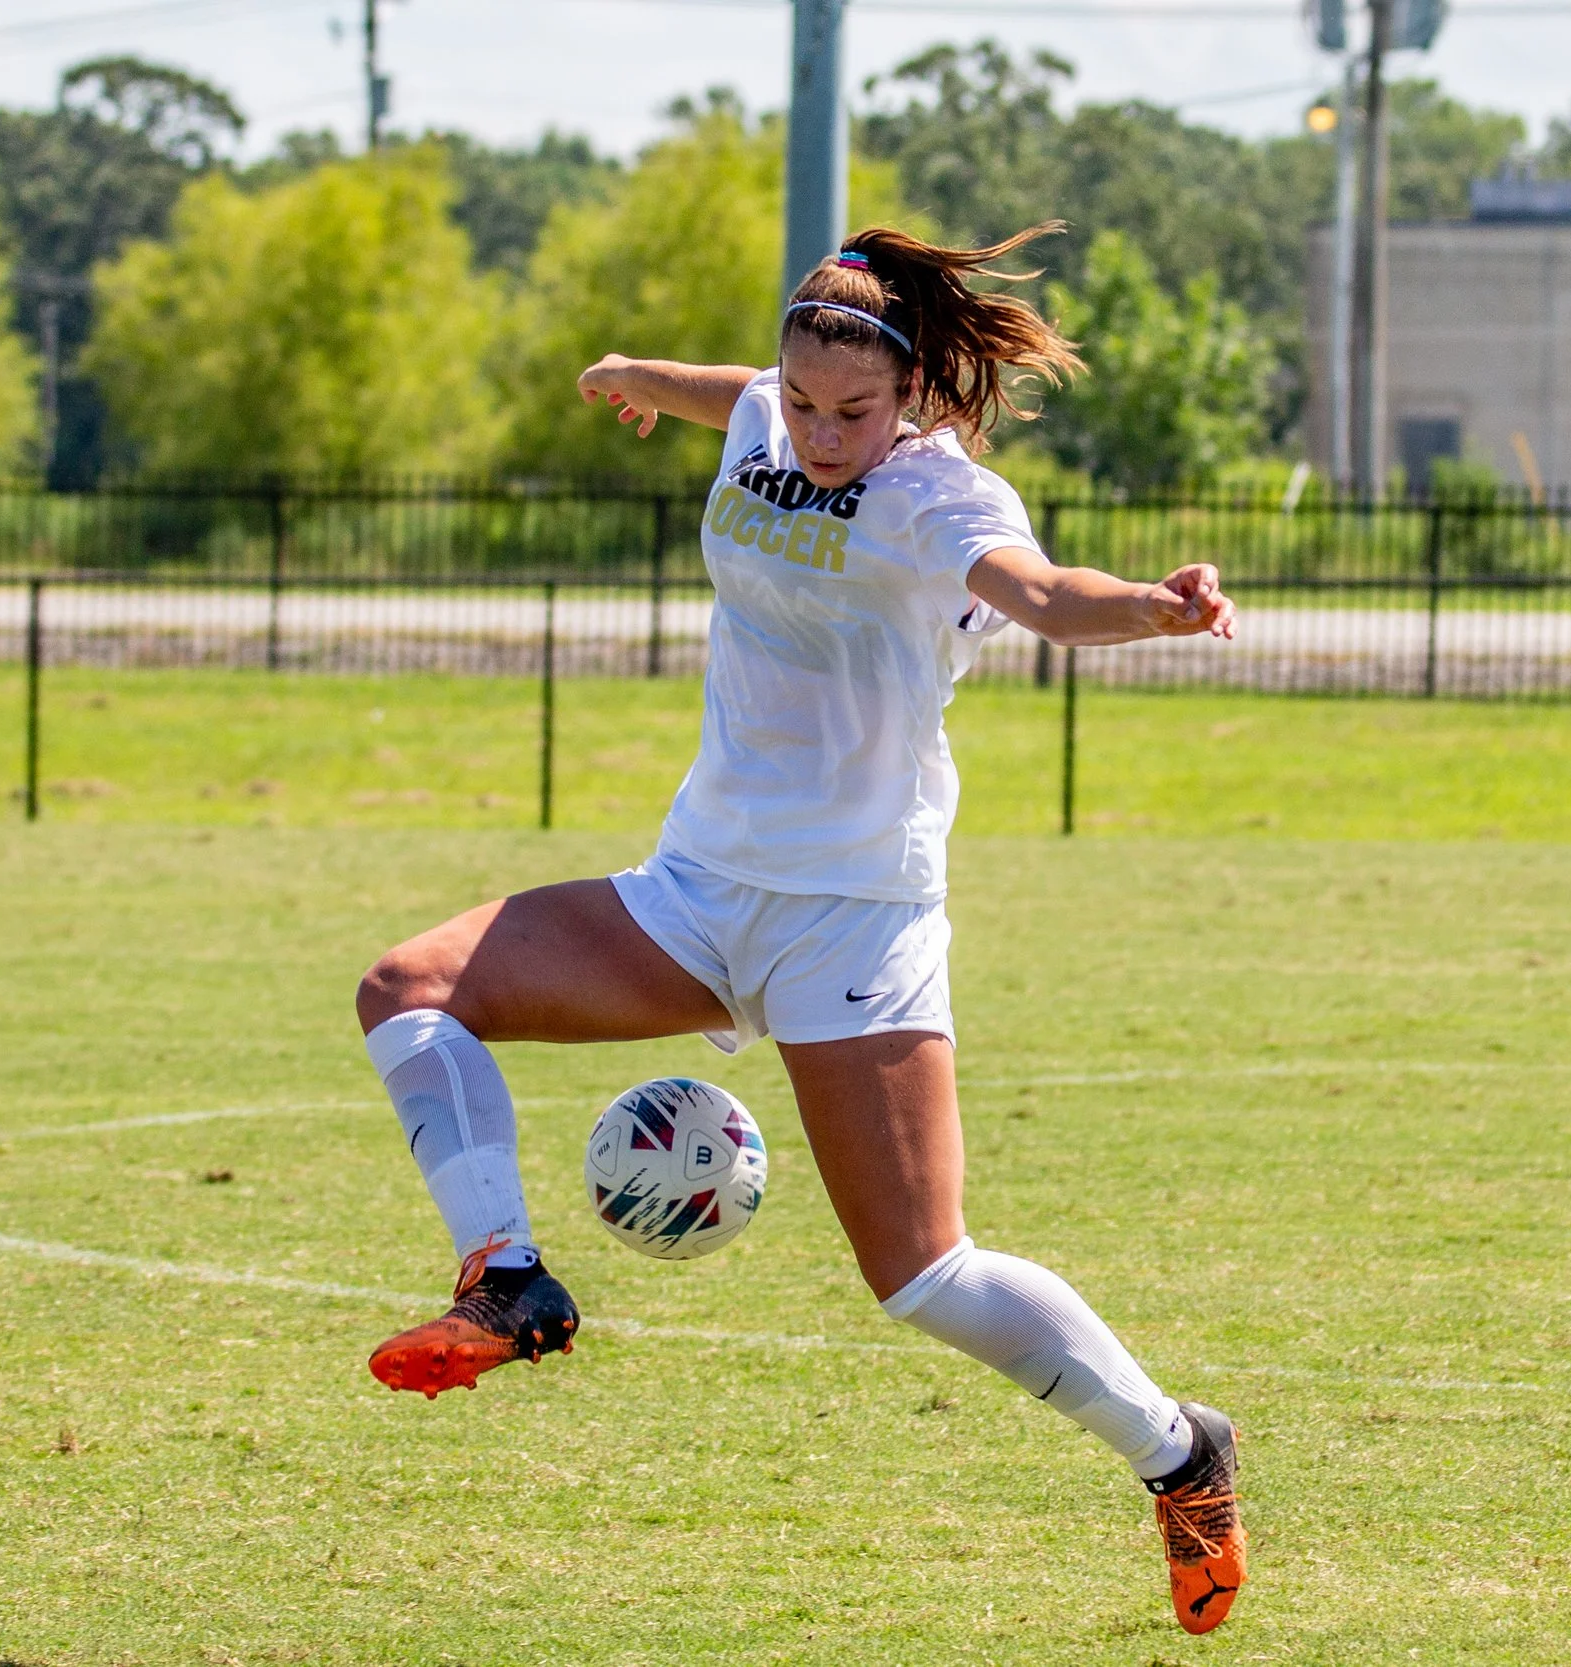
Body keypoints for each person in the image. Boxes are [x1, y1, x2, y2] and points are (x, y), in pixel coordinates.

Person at [352, 224, 1246, 1636]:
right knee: (409, 989)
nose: (824, 434)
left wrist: (1152, 605)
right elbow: (739, 394)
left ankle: (1180, 1453)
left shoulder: (941, 501)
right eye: (805, 401)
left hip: (855, 917)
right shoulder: (770, 408)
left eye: (856, 411)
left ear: (911, 394)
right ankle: (509, 1281)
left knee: (924, 1276)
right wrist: (647, 373)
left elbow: (1042, 593)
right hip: (697, 889)